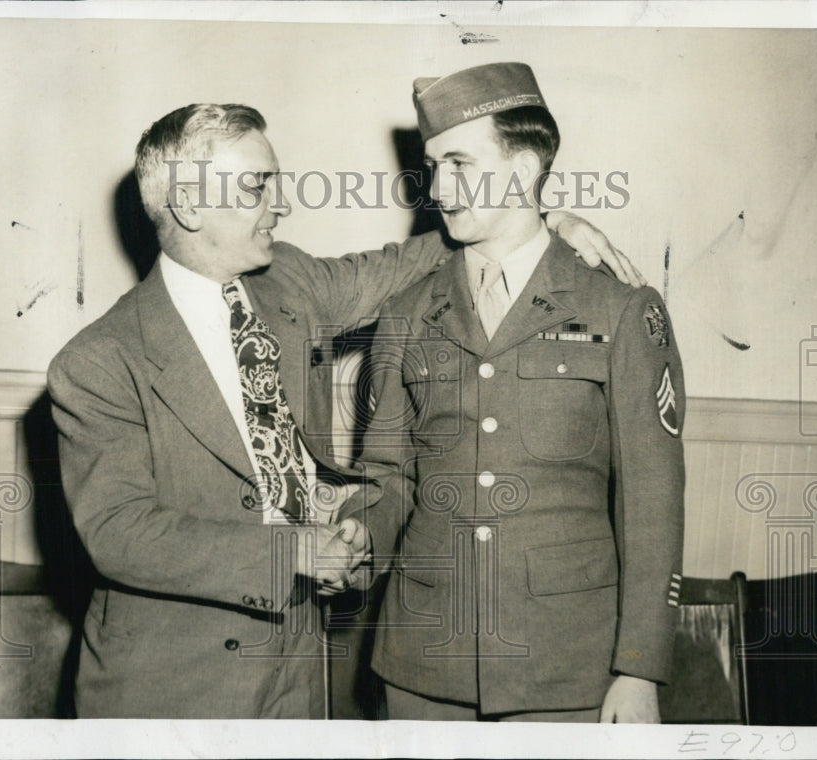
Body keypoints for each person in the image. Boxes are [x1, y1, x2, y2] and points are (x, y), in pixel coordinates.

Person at [47, 102, 640, 719]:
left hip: (299, 672)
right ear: (189, 206)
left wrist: (542, 219)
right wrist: (292, 554)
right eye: (257, 186)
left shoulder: (287, 281)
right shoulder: (98, 361)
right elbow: (120, 533)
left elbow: (409, 263)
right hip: (172, 685)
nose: (281, 204)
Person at [359, 63, 686, 723]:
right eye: (433, 166)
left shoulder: (620, 308)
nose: (439, 188)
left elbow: (653, 502)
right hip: (423, 664)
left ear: (525, 167)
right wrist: (353, 534)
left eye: (460, 164)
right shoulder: (406, 311)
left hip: (568, 669)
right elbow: (387, 477)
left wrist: (638, 669)